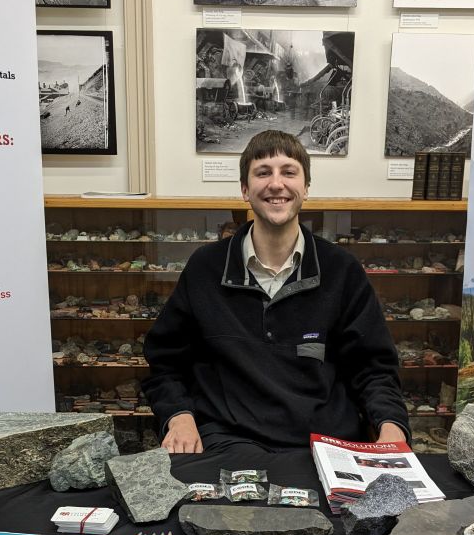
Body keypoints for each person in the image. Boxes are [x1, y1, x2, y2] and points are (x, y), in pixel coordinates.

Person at [142, 130, 410, 454]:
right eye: (263, 172)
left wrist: (391, 426)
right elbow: (166, 362)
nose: (276, 183)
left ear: (306, 188)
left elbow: (374, 369)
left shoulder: (342, 270)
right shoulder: (205, 268)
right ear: (245, 190)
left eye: (289, 171)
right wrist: (179, 416)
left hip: (322, 445)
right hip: (227, 441)